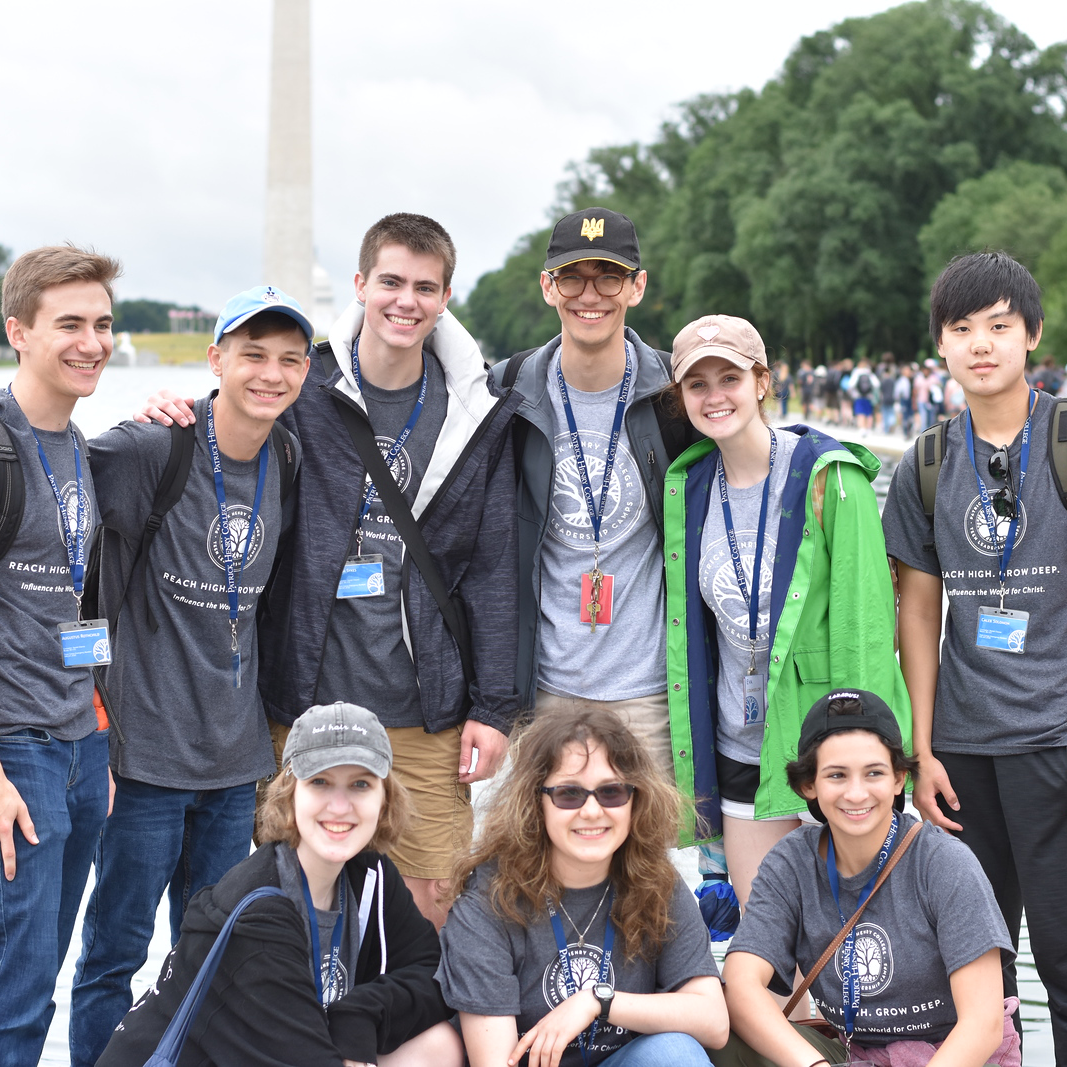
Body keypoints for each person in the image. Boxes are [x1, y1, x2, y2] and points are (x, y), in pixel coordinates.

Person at [139, 213, 523, 928]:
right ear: (359, 284)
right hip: (301, 698)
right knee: (287, 906)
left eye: (424, 286)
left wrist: (494, 707)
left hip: (426, 707)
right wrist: (174, 410)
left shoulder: (477, 408)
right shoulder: (301, 386)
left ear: (445, 297)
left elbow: (493, 566)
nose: (404, 301)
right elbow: (231, 430)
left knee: (427, 904)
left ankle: (397, 1039)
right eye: (390, 282)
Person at [69, 285, 313, 1066]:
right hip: (143, 756)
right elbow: (55, 475)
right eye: (252, 355)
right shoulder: (153, 445)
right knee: (115, 953)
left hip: (236, 761)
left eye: (288, 360)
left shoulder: (288, 455)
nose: (270, 374)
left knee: (214, 955)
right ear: (216, 360)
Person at [882, 250, 1067, 1062]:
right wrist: (920, 749)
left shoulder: (1060, 438)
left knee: (1061, 960)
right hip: (960, 749)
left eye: (997, 325)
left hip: (1055, 739)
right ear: (941, 347)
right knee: (974, 967)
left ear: (1031, 333)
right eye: (961, 329)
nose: (980, 344)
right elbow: (917, 611)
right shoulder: (925, 463)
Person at [663, 314, 910, 909]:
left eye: (730, 378)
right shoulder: (689, 484)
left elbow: (867, 628)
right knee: (772, 947)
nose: (715, 396)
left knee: (850, 948)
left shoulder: (830, 476)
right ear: (681, 398)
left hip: (824, 746)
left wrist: (866, 767)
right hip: (739, 750)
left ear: (762, 382)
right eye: (697, 385)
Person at [95, 701, 462, 1067]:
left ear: (384, 800)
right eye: (320, 782)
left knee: (437, 1045)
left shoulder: (370, 876)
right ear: (289, 792)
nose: (339, 806)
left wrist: (360, 1014)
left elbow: (436, 974)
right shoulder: (258, 913)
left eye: (360, 784)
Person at [490, 207, 694, 781]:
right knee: (540, 866)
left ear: (637, 286)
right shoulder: (507, 394)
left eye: (609, 276)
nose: (591, 295)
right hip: (544, 695)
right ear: (547, 286)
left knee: (647, 869)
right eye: (573, 276)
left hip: (649, 700)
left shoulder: (674, 395)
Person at [718, 689, 1019, 1067]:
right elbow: (741, 984)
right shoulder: (792, 862)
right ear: (808, 785)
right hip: (851, 1054)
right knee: (719, 1032)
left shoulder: (944, 862)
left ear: (899, 780)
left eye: (874, 773)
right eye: (837, 775)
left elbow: (983, 1024)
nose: (856, 793)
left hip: (950, 1054)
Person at [437, 705, 729, 1067]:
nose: (591, 811)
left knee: (674, 1054)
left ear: (635, 800)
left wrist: (599, 1000)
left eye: (611, 792)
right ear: (535, 802)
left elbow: (713, 1021)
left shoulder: (655, 880)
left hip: (625, 1060)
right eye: (569, 794)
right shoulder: (489, 898)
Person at [0, 244, 121, 1065]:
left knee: (45, 973)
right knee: (17, 986)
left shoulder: (79, 444)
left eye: (104, 323)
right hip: (18, 751)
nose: (93, 342)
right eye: (70, 324)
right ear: (19, 332)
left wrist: (99, 729)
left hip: (81, 744)